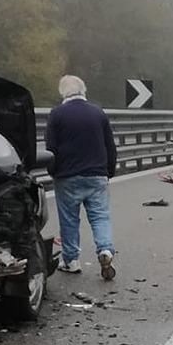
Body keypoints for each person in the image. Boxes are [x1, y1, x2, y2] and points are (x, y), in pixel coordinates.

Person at [45, 75, 118, 281]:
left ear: (63, 92)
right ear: (83, 90)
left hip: (67, 176)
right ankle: (105, 250)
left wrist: (53, 171)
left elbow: (51, 147)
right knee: (100, 216)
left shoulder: (56, 114)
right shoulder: (98, 113)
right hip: (97, 175)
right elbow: (109, 146)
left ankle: (71, 260)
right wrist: (109, 171)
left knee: (69, 220)